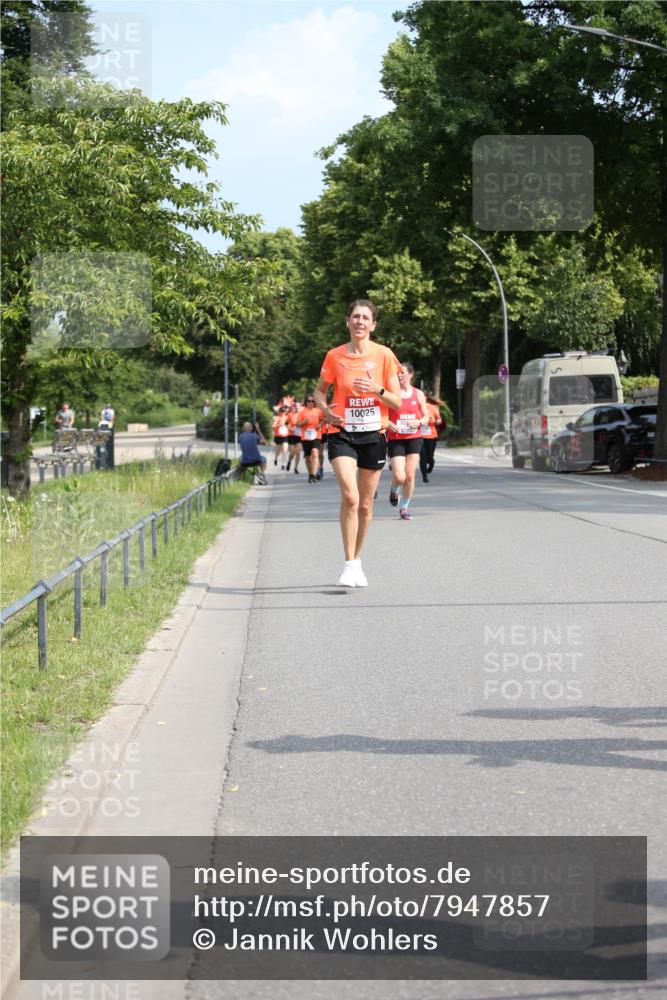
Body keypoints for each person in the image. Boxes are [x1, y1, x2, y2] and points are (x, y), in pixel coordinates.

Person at [313, 298, 401, 587]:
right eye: (355, 317)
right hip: (342, 433)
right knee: (349, 497)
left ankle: (358, 560)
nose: (360, 322)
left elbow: (396, 400)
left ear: (373, 324)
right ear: (347, 321)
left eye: (365, 318)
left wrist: (376, 389)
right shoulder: (334, 356)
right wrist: (325, 410)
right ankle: (348, 563)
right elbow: (319, 391)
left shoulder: (385, 354)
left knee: (364, 505)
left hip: (374, 434)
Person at [387, 363, 429, 520]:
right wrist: (388, 423)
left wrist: (418, 422)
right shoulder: (392, 394)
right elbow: (382, 413)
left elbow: (426, 417)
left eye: (402, 372)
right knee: (400, 476)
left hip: (413, 437)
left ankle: (404, 508)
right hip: (396, 439)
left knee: (410, 475)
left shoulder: (418, 394)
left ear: (410, 374)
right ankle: (394, 489)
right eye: (397, 372)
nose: (399, 375)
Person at [297, 394, 325, 483]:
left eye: (313, 401)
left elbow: (323, 420)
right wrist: (304, 422)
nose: (311, 403)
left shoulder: (318, 411)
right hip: (305, 436)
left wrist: (320, 425)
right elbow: (297, 424)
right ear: (306, 402)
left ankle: (313, 474)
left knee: (315, 452)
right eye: (309, 401)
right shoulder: (302, 412)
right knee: (308, 458)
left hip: (316, 435)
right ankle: (310, 474)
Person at [419, 394, 444, 482]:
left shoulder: (432, 408)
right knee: (423, 457)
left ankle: (431, 463)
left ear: (425, 398)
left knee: (429, 457)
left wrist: (435, 421)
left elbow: (439, 421)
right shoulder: (415, 407)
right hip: (419, 436)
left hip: (431, 436)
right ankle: (424, 476)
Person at [285, 401, 303, 474]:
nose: (297, 407)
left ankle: (296, 468)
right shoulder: (290, 415)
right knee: (292, 452)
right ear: (294, 407)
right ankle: (289, 461)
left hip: (300, 435)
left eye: (298, 406)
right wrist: (290, 428)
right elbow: (286, 424)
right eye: (296, 406)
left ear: (300, 407)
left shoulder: (302, 414)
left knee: (298, 452)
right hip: (291, 435)